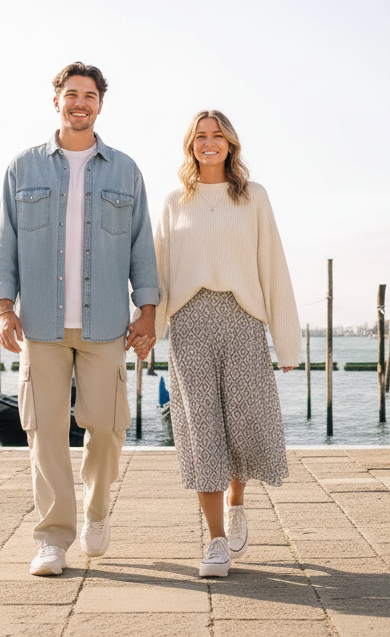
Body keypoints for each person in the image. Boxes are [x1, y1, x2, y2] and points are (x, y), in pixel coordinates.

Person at [0, 63, 159, 577]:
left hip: (107, 323)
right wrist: (3, 308)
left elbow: (141, 247)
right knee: (44, 433)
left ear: (100, 105)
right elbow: (6, 245)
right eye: (71, 94)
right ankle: (53, 538)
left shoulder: (126, 170)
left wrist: (147, 311)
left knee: (106, 428)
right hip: (40, 323)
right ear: (56, 101)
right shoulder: (22, 168)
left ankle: (98, 508)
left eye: (89, 95)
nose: (79, 103)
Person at [153, 109, 300, 578]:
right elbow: (158, 271)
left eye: (217, 135)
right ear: (190, 145)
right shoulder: (175, 200)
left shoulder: (254, 197)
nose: (209, 142)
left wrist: (287, 343)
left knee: (244, 421)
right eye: (201, 136)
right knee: (201, 430)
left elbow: (272, 266)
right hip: (190, 323)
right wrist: (148, 331)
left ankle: (238, 499)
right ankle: (215, 541)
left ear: (231, 144)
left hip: (242, 321)